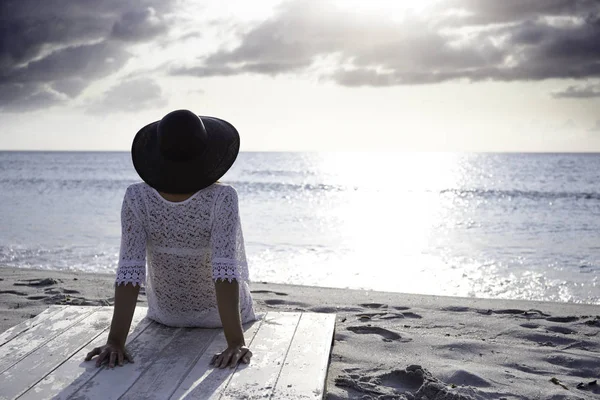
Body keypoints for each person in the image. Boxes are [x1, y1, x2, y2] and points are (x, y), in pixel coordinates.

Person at [84, 109, 257, 370]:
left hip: (165, 315)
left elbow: (129, 271)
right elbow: (225, 272)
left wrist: (116, 341)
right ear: (207, 153)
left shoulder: (136, 197)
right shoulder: (223, 197)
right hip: (219, 319)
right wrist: (235, 342)